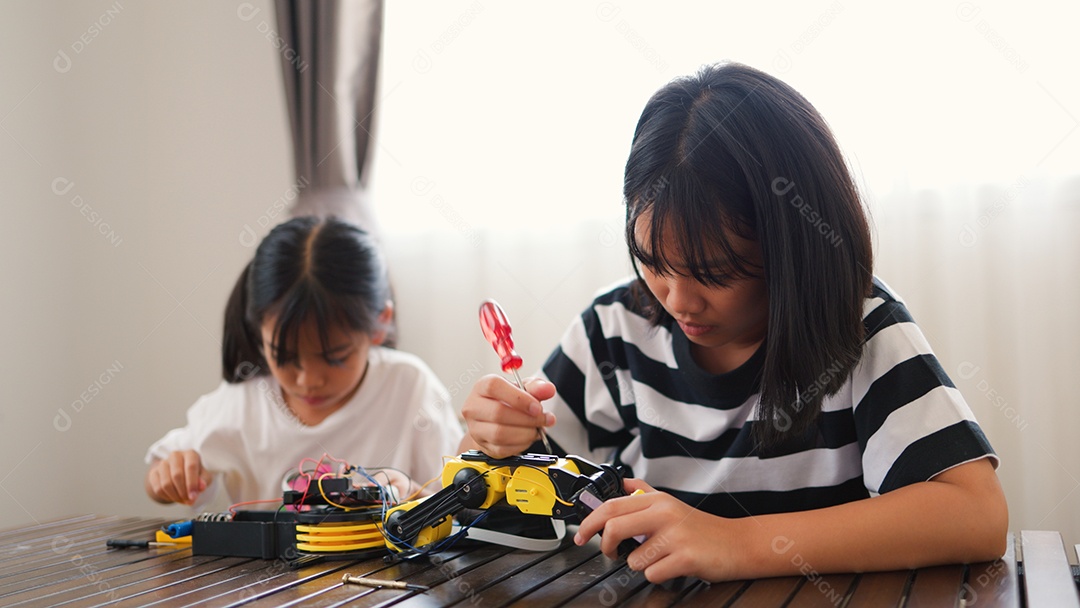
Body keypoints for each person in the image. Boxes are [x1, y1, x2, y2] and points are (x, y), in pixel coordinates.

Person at [459, 62, 1008, 584]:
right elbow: (532, 483)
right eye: (653, 263)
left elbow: (975, 514)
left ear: (792, 250)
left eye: (713, 273)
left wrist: (735, 543)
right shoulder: (615, 328)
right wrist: (497, 442)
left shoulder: (857, 329)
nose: (678, 300)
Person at [146, 216, 463, 509]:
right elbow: (159, 470)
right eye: (284, 357)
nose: (308, 380)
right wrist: (169, 476)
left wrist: (411, 493)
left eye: (334, 357)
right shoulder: (242, 402)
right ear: (259, 330)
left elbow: (454, 499)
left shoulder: (410, 387)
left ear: (380, 324)